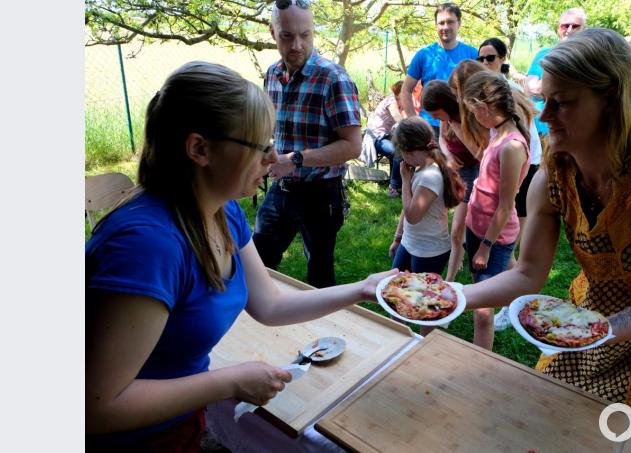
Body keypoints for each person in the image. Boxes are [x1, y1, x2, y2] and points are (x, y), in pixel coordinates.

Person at [85, 61, 396, 450]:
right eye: (260, 146)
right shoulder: (146, 246)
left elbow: (270, 305)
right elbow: (96, 407)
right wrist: (228, 381)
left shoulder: (223, 210)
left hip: (178, 426)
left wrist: (363, 289)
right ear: (200, 149)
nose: (274, 157)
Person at [462, 29, 631, 442]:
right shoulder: (554, 176)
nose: (545, 115)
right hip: (585, 321)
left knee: (621, 441)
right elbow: (528, 274)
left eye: (562, 102)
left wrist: (596, 330)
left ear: (611, 100)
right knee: (551, 423)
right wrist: (453, 297)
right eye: (546, 99)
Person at [253, 0, 362, 288]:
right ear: (273, 32)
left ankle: (323, 318)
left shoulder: (333, 79)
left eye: (305, 35)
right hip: (281, 188)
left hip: (321, 194)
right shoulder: (272, 75)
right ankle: (260, 312)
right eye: (287, 35)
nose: (297, 45)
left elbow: (353, 146)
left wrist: (295, 159)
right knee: (256, 262)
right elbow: (272, 130)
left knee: (319, 274)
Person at [461, 71, 533, 350]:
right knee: (479, 296)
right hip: (476, 227)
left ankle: (479, 362)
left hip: (494, 238)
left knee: (482, 311)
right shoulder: (497, 131)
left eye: (473, 111)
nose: (473, 117)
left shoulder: (512, 146)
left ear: (485, 107)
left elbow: (505, 206)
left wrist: (485, 247)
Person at [388, 117, 466, 335]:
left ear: (408, 150)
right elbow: (408, 208)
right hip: (410, 243)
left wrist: (405, 181)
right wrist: (398, 237)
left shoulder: (429, 176)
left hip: (429, 251)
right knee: (394, 294)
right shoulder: (421, 168)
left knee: (426, 306)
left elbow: (413, 215)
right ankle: (397, 338)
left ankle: (425, 343)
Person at [421, 80, 480, 282]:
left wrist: (457, 127)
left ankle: (450, 280)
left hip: (473, 173)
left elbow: (481, 153)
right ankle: (454, 270)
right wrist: (448, 156)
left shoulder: (466, 117)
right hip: (454, 171)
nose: (434, 118)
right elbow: (442, 140)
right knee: (456, 229)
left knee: (457, 232)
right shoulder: (446, 118)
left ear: (447, 105)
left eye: (436, 114)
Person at [400, 2, 478, 137]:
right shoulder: (424, 55)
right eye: (441, 23)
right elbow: (405, 90)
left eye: (450, 22)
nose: (445, 27)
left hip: (464, 124)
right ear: (436, 25)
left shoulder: (472, 54)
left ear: (459, 23)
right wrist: (414, 121)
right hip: (430, 127)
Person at [524, 7, 587, 139]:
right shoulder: (543, 54)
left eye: (575, 26)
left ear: (584, 29)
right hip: (539, 132)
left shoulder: (588, 57)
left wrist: (546, 88)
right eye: (565, 26)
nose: (569, 30)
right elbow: (531, 89)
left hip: (571, 133)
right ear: (559, 28)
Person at [367, 80, 405, 197]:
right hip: (376, 137)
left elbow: (406, 117)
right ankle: (393, 187)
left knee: (403, 149)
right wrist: (412, 126)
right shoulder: (391, 101)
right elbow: (398, 117)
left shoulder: (400, 102)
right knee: (398, 152)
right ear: (399, 92)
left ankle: (398, 183)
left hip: (386, 135)